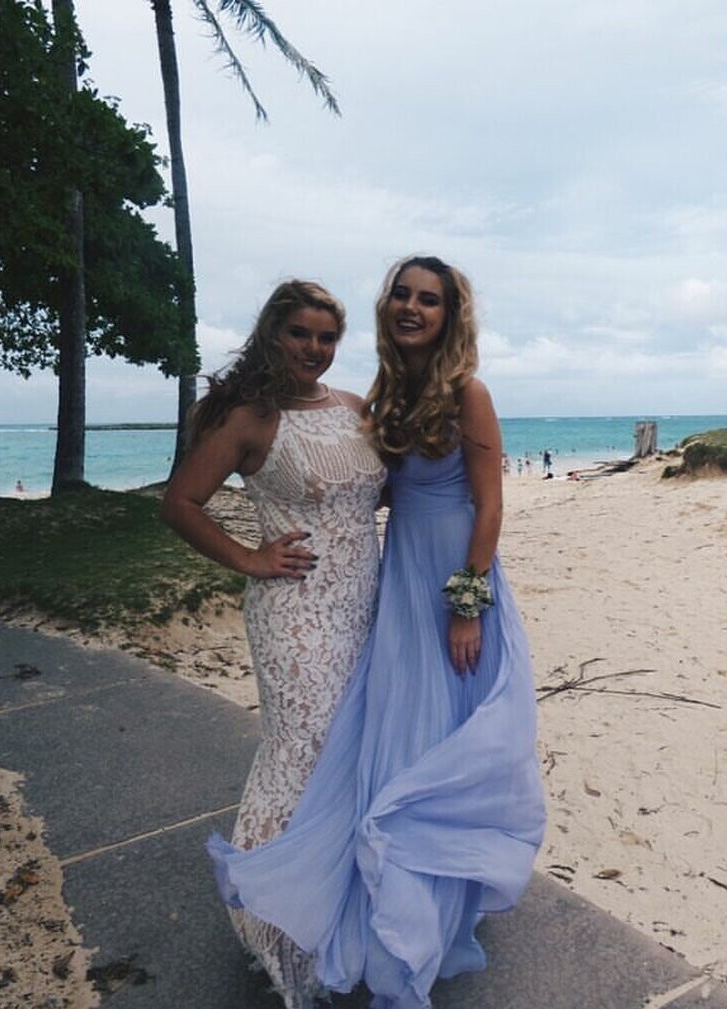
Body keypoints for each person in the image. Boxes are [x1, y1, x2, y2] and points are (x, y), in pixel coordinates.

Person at [207, 256, 546, 1009]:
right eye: (402, 293)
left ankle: (434, 910)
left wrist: (468, 603)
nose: (412, 307)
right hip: (397, 584)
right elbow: (357, 486)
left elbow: (490, 506)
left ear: (451, 316)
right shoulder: (388, 396)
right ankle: (386, 904)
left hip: (454, 580)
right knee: (401, 741)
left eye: (430, 299)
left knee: (448, 741)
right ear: (387, 305)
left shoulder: (468, 392)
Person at [160, 280, 386, 1006]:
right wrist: (250, 558)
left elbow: (377, 494)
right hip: (294, 613)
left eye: (327, 337)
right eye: (300, 334)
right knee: (302, 753)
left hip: (365, 605)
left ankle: (333, 909)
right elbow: (180, 503)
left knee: (350, 755)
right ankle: (269, 922)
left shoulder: (353, 408)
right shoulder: (249, 417)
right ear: (272, 335)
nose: (314, 349)